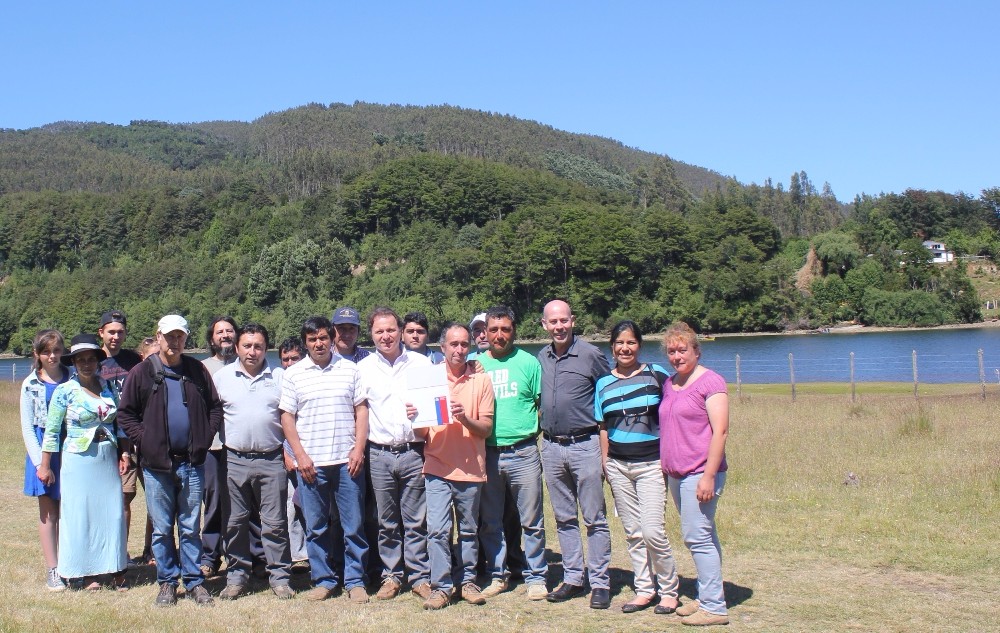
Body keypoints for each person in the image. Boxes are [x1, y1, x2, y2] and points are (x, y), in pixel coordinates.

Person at [118, 314, 223, 607]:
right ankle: (167, 582)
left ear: (185, 339)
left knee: (190, 527)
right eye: (170, 336)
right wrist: (145, 440)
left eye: (180, 336)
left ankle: (194, 582)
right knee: (163, 529)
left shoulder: (196, 370)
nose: (175, 341)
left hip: (191, 463)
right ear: (159, 336)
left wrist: (204, 437)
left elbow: (215, 407)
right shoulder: (142, 372)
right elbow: (125, 413)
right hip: (156, 466)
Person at [279, 316, 370, 604]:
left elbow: (362, 411)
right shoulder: (294, 374)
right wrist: (300, 455)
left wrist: (358, 449)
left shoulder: (351, 370)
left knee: (353, 525)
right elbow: (287, 418)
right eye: (312, 339)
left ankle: (355, 580)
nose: (318, 343)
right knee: (316, 526)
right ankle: (324, 579)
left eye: (322, 337)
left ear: (331, 338)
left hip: (347, 462)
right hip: (311, 465)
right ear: (305, 343)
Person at [595, 321, 679, 614]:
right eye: (619, 343)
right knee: (633, 532)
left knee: (653, 530)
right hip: (619, 466)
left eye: (630, 342)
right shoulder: (603, 383)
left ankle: (669, 591)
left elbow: (672, 414)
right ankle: (644, 589)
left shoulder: (657, 375)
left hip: (652, 464)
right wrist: (606, 463)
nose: (625, 348)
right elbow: (603, 426)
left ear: (639, 345)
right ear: (612, 347)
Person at [537, 299, 612, 609]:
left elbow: (609, 395)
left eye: (564, 320)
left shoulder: (591, 355)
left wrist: (608, 448)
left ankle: (600, 582)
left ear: (573, 321)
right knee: (564, 517)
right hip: (552, 447)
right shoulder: (540, 357)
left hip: (585, 445)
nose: (559, 326)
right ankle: (572, 578)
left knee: (594, 517)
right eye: (553, 322)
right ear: (544, 325)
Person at [38, 334, 128, 591]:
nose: (86, 364)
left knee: (111, 513)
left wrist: (124, 453)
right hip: (78, 459)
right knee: (81, 515)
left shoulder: (108, 387)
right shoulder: (65, 391)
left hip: (106, 457)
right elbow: (52, 432)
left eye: (90, 359)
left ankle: (115, 567)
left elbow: (118, 424)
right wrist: (45, 466)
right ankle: (87, 573)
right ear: (74, 363)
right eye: (81, 360)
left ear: (98, 362)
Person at [415, 323, 494, 610]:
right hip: (437, 465)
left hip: (471, 466)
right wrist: (416, 418)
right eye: (453, 344)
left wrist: (464, 419)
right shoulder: (431, 379)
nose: (459, 349)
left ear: (469, 346)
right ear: (442, 348)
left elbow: (485, 429)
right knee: (436, 530)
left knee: (469, 529)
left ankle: (469, 582)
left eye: (464, 344)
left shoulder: (481, 380)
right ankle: (442, 586)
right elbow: (421, 434)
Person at [357, 307, 432, 601]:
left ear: (400, 330)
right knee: (386, 520)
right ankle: (391, 575)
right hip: (379, 453)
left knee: (416, 519)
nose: (386, 336)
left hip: (414, 450)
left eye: (390, 330)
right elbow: (360, 411)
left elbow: (436, 407)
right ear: (371, 335)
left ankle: (419, 576)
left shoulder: (421, 362)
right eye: (379, 332)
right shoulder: (362, 369)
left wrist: (422, 412)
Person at [215, 323, 294, 600]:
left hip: (271, 459)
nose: (252, 351)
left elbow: (290, 416)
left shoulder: (280, 377)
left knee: (275, 523)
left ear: (266, 348)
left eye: (258, 346)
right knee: (235, 522)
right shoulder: (222, 377)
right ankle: (237, 576)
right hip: (234, 459)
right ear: (237, 347)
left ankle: (280, 577)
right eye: (247, 346)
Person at [659, 322, 730, 627]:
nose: (677, 356)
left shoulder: (710, 382)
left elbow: (721, 431)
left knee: (696, 536)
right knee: (703, 535)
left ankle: (714, 607)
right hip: (676, 473)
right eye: (672, 351)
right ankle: (707, 594)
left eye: (682, 349)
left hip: (700, 473)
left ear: (696, 351)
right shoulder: (670, 383)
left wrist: (709, 476)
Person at [476, 306, 548, 601]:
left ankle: (536, 577)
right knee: (491, 521)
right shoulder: (475, 365)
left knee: (531, 520)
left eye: (505, 329)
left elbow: (541, 404)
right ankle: (497, 574)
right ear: (485, 333)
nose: (499, 335)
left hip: (524, 451)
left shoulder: (529, 363)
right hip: (488, 453)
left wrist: (530, 432)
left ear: (513, 330)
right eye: (494, 330)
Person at [19, 329, 69, 591]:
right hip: (43, 452)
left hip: (71, 448)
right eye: (46, 351)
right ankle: (53, 569)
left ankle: (71, 566)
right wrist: (40, 464)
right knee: (49, 512)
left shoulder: (72, 378)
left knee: (70, 511)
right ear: (37, 354)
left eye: (57, 350)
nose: (52, 356)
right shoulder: (30, 384)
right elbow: (28, 428)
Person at [96, 310, 144, 562]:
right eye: (111, 331)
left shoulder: (134, 360)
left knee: (125, 496)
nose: (115, 336)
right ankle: (100, 551)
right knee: (100, 498)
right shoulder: (90, 360)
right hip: (101, 439)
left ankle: (120, 552)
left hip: (131, 439)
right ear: (101, 333)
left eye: (120, 332)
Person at [200, 315, 238, 577]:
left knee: (244, 502)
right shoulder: (201, 368)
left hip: (241, 445)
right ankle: (210, 557)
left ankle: (247, 555)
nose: (225, 335)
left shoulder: (247, 363)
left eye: (229, 331)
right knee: (213, 502)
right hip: (212, 446)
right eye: (219, 332)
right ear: (211, 338)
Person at [278, 337, 309, 571]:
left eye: (294, 358)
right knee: (292, 507)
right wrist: (286, 456)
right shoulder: (280, 383)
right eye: (285, 359)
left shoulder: (311, 379)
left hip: (314, 456)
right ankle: (298, 555)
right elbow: (275, 425)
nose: (290, 363)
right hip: (289, 456)